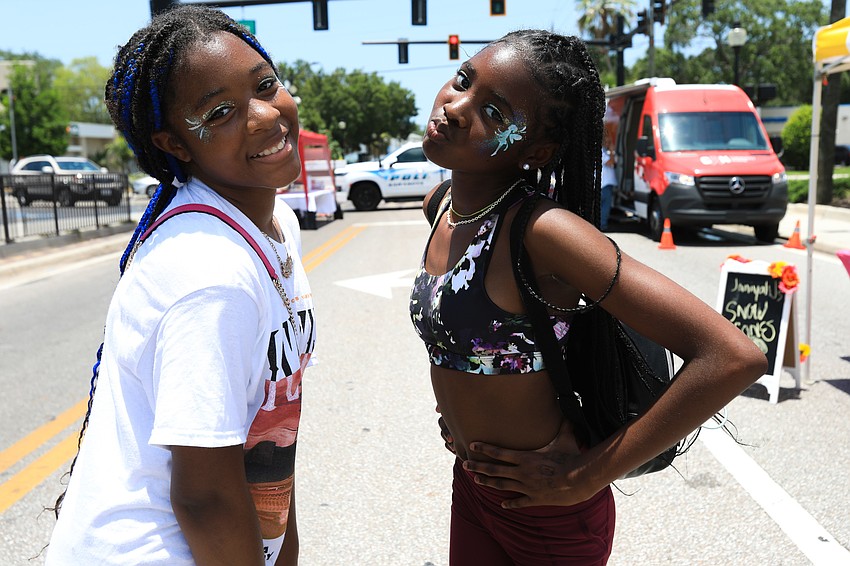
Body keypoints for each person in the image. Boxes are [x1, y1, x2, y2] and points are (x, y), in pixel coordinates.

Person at [410, 29, 766, 564]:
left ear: (541, 150)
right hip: (477, 491)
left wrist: (587, 476)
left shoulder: (543, 231)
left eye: (495, 113)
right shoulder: (442, 206)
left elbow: (733, 355)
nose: (456, 107)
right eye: (463, 80)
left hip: (551, 518)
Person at [46, 6, 314, 565]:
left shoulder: (274, 224)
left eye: (266, 85)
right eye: (220, 113)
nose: (265, 116)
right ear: (174, 144)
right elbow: (205, 496)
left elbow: (265, 434)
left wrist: (285, 548)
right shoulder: (208, 271)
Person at [600, 141, 616, 231]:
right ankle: (602, 225)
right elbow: (610, 162)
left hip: (605, 184)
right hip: (604, 184)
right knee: (605, 205)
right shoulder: (601, 151)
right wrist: (612, 150)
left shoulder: (603, 151)